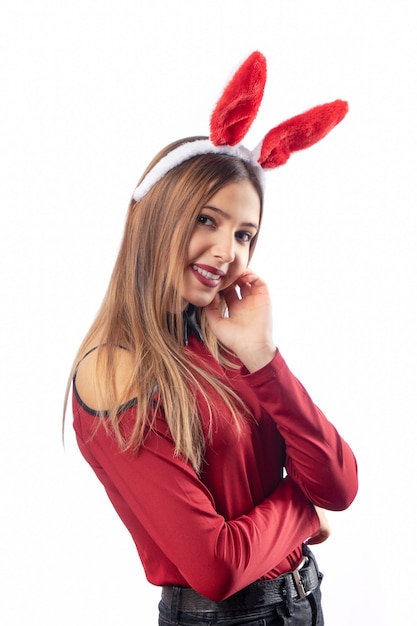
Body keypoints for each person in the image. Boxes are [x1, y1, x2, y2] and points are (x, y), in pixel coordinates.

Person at [67, 52, 358, 625]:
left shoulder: (230, 342)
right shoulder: (114, 368)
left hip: (303, 604)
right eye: (207, 220)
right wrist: (303, 510)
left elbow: (340, 482)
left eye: (244, 233)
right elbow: (216, 565)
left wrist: (264, 359)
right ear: (155, 215)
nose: (228, 253)